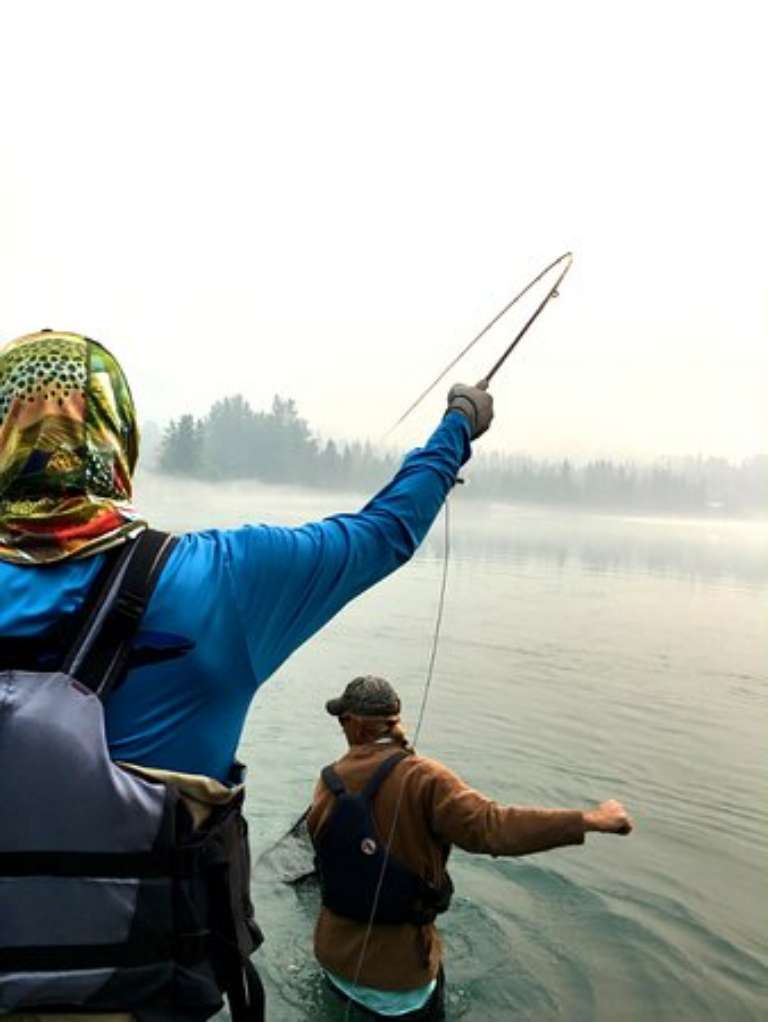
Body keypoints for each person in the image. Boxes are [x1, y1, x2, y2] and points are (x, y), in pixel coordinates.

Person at [0, 329, 494, 1020]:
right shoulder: (223, 580)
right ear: (120, 439)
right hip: (147, 1000)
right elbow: (386, 531)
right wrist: (457, 426)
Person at [308, 675, 633, 1021]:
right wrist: (589, 820)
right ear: (394, 721)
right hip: (399, 982)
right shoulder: (425, 777)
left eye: (342, 720)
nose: (342, 727)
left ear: (356, 726)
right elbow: (493, 827)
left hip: (334, 961)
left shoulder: (328, 782)